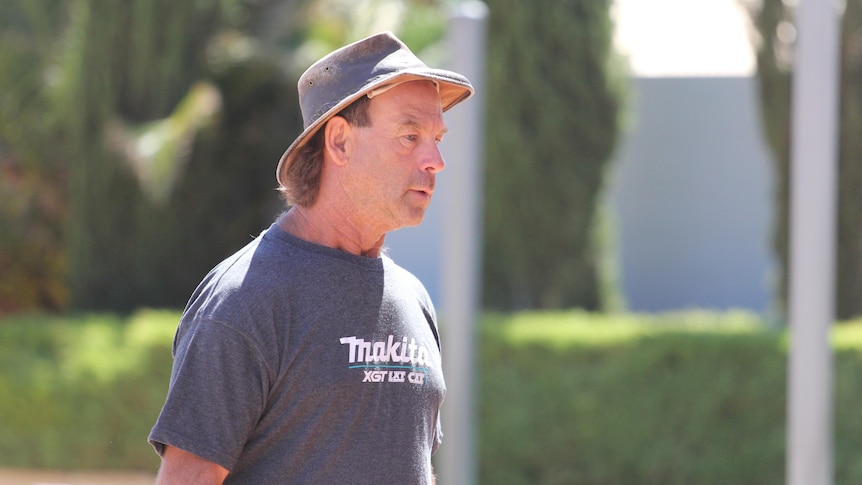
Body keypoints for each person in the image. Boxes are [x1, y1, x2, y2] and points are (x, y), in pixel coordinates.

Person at [148, 31, 474, 484]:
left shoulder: (412, 298)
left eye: (436, 137)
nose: (435, 159)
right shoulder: (246, 299)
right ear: (339, 141)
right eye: (410, 135)